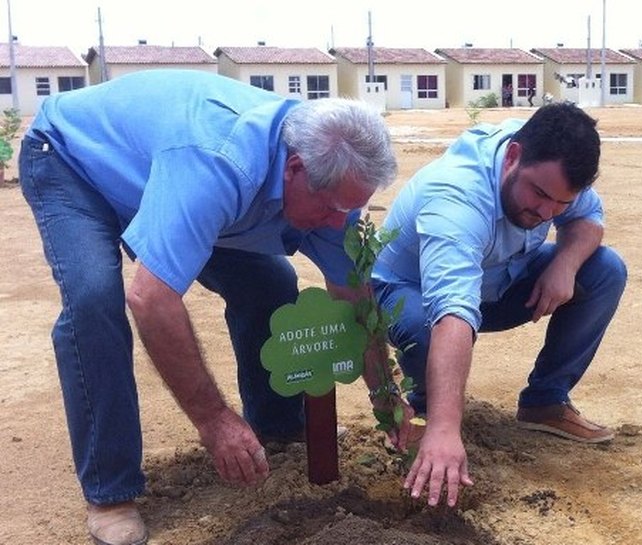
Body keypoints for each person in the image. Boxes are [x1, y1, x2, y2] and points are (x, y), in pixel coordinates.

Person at [19, 69, 404, 545]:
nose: (336, 223)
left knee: (270, 281)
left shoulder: (330, 187)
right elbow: (152, 299)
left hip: (164, 174)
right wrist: (214, 420)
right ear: (295, 169)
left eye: (349, 209)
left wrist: (389, 400)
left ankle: (277, 428)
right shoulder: (219, 163)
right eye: (329, 209)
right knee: (94, 300)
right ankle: (109, 490)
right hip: (74, 163)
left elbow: (354, 297)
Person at [371, 102, 627, 508]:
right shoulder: (456, 196)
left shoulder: (553, 166)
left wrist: (564, 262)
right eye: (540, 195)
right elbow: (451, 311)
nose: (546, 212)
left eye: (560, 203)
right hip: (412, 293)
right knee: (426, 323)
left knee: (604, 269)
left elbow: (589, 216)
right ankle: (426, 419)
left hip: (498, 283)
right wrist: (446, 426)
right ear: (512, 156)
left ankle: (545, 400)